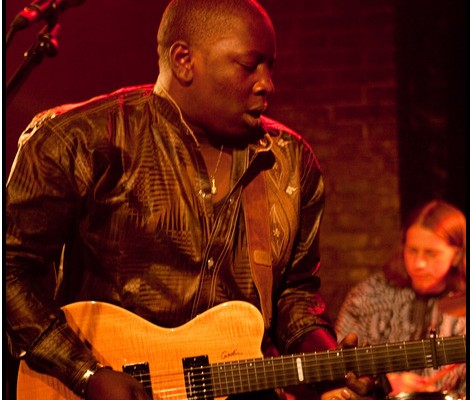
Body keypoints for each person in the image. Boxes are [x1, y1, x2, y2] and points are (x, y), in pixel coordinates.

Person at [6, 1, 375, 399]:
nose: (268, 83)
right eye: (250, 65)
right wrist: (85, 374)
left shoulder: (290, 162)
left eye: (270, 66)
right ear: (184, 60)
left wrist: (328, 362)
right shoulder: (79, 141)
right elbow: (10, 271)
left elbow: (295, 295)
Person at [335, 200, 467, 398]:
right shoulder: (367, 296)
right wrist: (385, 381)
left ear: (456, 254)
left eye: (431, 253)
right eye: (412, 250)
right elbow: (338, 366)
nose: (419, 263)